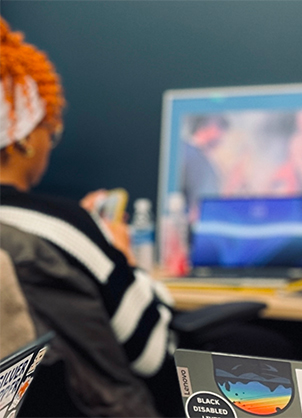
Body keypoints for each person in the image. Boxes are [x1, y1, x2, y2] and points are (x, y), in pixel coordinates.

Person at [0, 18, 182, 417]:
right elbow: (153, 352)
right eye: (51, 128)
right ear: (26, 138)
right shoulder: (67, 226)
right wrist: (125, 260)